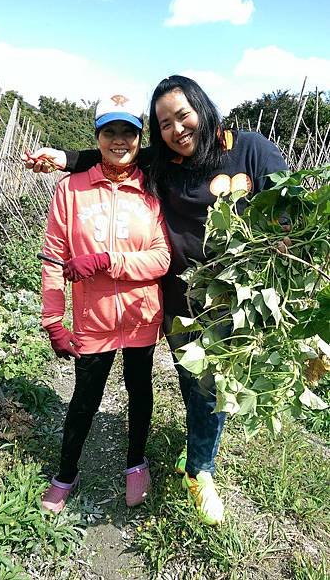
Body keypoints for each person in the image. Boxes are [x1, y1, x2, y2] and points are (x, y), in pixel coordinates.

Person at [25, 75, 288, 525]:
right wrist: (64, 159)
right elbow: (114, 159)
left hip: (201, 306)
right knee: (148, 391)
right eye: (165, 122)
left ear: (203, 109)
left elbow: (288, 206)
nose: (177, 129)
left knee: (194, 391)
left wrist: (283, 251)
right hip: (151, 309)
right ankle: (77, 471)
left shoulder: (233, 155)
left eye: (182, 116)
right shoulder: (128, 175)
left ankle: (184, 468)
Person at [38, 88, 171, 513]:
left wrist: (107, 261)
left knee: (139, 390)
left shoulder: (152, 190)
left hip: (140, 317)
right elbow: (54, 257)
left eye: (128, 132)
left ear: (139, 137)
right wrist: (54, 318)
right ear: (96, 136)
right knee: (84, 400)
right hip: (93, 320)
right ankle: (65, 473)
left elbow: (161, 258)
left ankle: (136, 463)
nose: (119, 140)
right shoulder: (71, 190)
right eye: (110, 131)